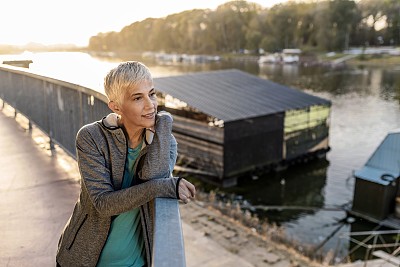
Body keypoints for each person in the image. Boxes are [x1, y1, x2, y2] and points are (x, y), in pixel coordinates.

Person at [56, 61, 196, 267]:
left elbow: (153, 174)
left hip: (136, 262)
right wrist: (165, 187)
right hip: (83, 259)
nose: (150, 105)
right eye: (138, 98)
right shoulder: (91, 138)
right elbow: (104, 204)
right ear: (116, 106)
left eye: (152, 94)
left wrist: (164, 123)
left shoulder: (165, 141)